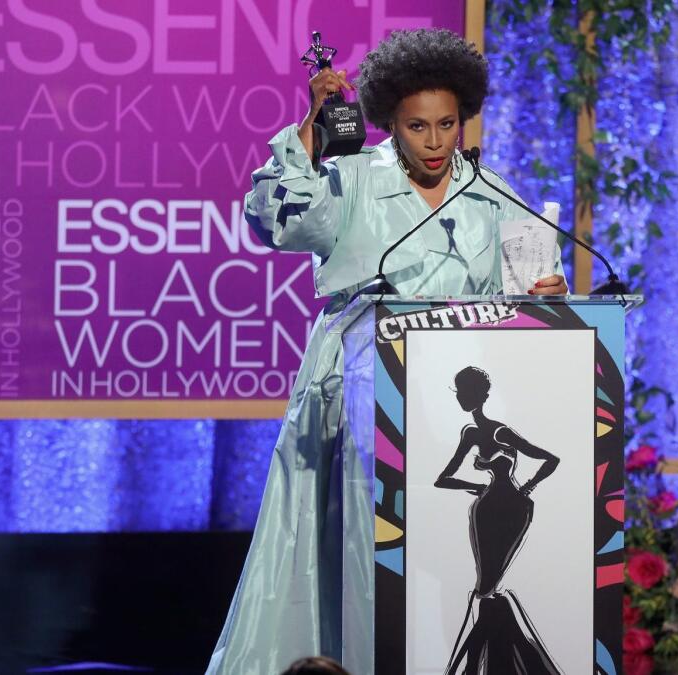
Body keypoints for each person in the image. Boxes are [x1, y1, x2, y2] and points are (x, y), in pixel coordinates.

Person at [205, 29, 568, 675]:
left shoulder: (495, 194)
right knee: (368, 547)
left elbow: (523, 302)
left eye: (448, 124)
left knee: (448, 559)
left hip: (456, 391)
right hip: (368, 385)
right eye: (417, 126)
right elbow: (274, 221)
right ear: (389, 123)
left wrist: (549, 294)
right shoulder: (349, 178)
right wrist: (313, 129)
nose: (434, 141)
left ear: (465, 119)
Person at [435, 367, 561, 674]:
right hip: (486, 508)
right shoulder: (471, 433)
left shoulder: (501, 432)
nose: (463, 398)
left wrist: (527, 488)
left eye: (467, 392)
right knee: (485, 585)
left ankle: (475, 663)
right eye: (460, 392)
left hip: (513, 509)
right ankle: (487, 660)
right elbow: (443, 479)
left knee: (488, 585)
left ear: (482, 395)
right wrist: (478, 487)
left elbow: (551, 459)